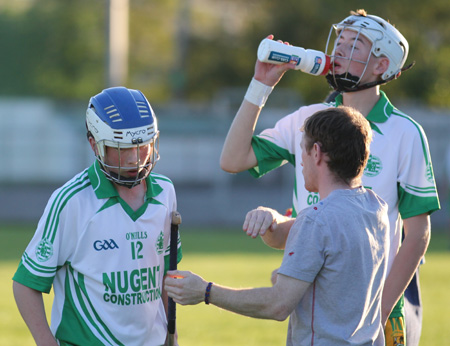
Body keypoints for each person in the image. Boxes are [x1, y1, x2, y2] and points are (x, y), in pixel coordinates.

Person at [220, 9, 440, 346]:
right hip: (316, 298)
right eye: (340, 40)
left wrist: (377, 312)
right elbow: (233, 159)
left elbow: (417, 236)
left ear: (382, 65)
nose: (340, 49)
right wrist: (260, 84)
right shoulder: (307, 120)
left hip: (380, 303)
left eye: (355, 45)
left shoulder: (405, 132)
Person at [166, 106, 389, 346]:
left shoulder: (316, 220)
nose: (300, 161)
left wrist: (204, 291)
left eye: (302, 150)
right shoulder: (376, 208)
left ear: (316, 153)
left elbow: (278, 305)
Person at [12, 87, 181, 346]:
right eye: (123, 148)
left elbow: (165, 278)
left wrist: (172, 336)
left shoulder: (165, 192)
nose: (137, 158)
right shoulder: (71, 201)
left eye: (144, 145)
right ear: (95, 144)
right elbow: (26, 285)